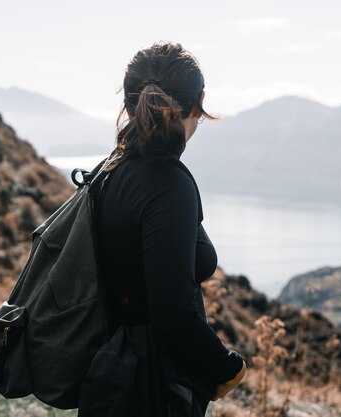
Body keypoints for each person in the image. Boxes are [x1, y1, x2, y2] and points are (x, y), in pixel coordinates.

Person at [93, 41, 247, 416]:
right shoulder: (167, 184)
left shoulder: (111, 171)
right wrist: (227, 367)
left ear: (130, 105)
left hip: (111, 371)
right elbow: (172, 312)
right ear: (199, 102)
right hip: (155, 385)